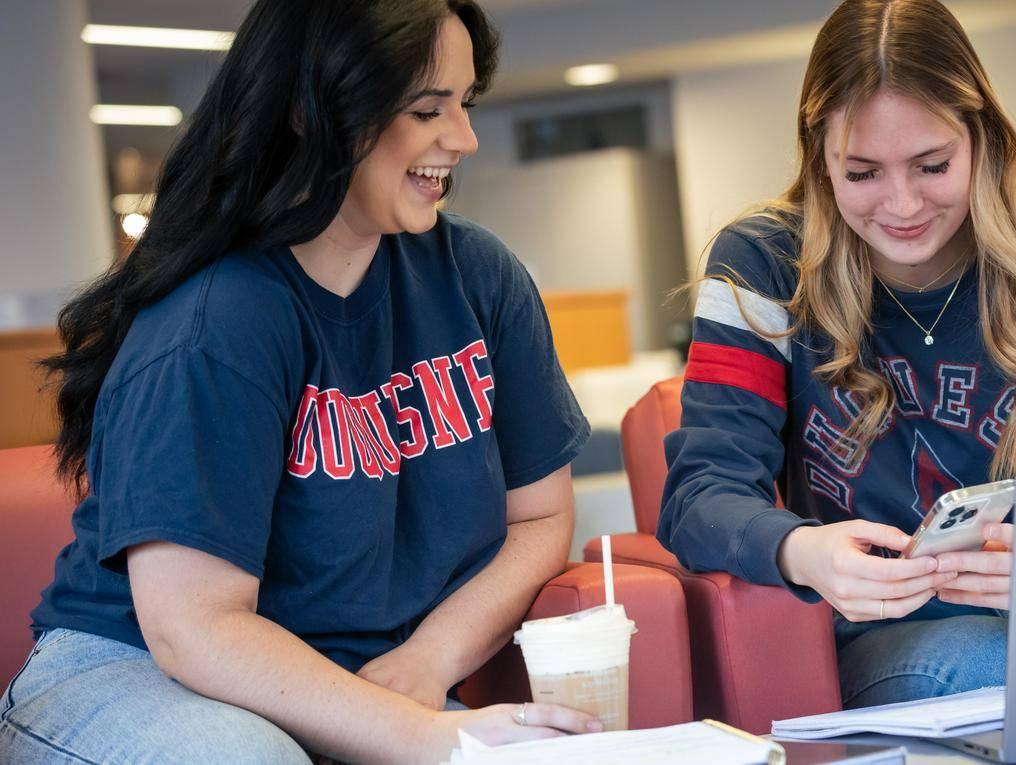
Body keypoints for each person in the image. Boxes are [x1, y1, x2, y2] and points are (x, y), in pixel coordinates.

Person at [0, 1, 599, 762]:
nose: (465, 138)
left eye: (465, 103)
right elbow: (194, 626)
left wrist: (427, 662)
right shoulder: (217, 320)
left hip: (347, 678)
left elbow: (540, 516)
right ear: (320, 114)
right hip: (140, 672)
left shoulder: (478, 278)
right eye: (427, 109)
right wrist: (418, 732)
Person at [658, 0, 1016, 710]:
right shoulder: (762, 262)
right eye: (862, 173)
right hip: (874, 637)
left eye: (931, 165)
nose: (900, 205)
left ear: (982, 139)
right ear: (819, 156)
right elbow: (697, 497)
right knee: (999, 665)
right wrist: (804, 551)